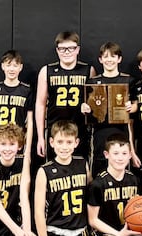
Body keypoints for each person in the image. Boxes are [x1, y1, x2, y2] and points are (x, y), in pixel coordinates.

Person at [34, 120, 91, 236]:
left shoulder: (83, 164)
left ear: (76, 143)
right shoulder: (45, 171)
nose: (64, 147)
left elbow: (90, 200)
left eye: (68, 142)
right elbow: (38, 213)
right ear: (51, 143)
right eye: (60, 142)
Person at [34, 31, 96, 160]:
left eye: (71, 48)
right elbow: (40, 105)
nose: (66, 52)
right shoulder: (46, 71)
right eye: (62, 49)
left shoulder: (88, 70)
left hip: (80, 130)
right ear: (57, 50)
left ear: (77, 49)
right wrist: (40, 136)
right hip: (55, 130)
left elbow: (94, 103)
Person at [81, 42, 137, 174]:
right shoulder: (93, 82)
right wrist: (84, 108)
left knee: (121, 165)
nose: (109, 60)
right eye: (106, 57)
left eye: (113, 56)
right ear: (100, 60)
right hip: (99, 132)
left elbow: (136, 104)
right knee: (99, 168)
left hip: (121, 130)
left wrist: (132, 107)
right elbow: (85, 105)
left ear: (119, 59)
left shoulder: (129, 80)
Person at [0, 50, 35, 162]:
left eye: (15, 65)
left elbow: (30, 122)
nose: (12, 69)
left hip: (16, 142)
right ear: (2, 66)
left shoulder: (26, 90)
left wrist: (27, 151)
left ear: (20, 67)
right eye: (8, 65)